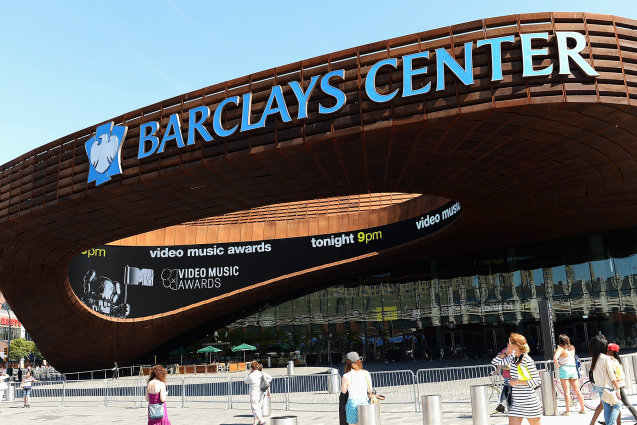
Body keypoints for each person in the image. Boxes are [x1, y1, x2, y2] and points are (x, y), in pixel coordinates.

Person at [491, 333, 542, 425]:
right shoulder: (512, 358)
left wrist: (518, 382)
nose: (507, 345)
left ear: (515, 346)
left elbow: (537, 381)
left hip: (529, 402)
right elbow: (495, 361)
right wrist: (506, 353)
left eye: (509, 343)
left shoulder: (527, 360)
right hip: (516, 404)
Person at [589, 334, 621, 425]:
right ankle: (611, 423)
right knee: (617, 406)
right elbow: (612, 375)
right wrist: (617, 387)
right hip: (608, 387)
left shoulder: (594, 358)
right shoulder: (606, 358)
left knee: (607, 408)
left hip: (599, 386)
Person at [553, 334, 586, 415]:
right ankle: (583, 409)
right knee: (577, 390)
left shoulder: (560, 348)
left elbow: (555, 358)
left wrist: (558, 366)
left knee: (566, 392)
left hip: (564, 369)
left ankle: (568, 411)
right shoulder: (572, 348)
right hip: (573, 369)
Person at [341, 352, 372, 425]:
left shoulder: (346, 376)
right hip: (365, 403)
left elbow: (344, 391)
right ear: (359, 361)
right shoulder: (366, 373)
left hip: (353, 404)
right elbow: (370, 390)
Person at [244, 361, 272, 425]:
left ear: (251, 368)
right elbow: (270, 377)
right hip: (261, 392)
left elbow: (245, 381)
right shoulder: (261, 373)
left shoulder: (251, 376)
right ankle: (259, 421)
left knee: (254, 408)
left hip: (254, 393)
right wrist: (265, 381)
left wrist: (249, 373)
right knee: (258, 408)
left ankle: (262, 421)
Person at [492, 347, 512, 414]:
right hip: (511, 375)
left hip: (509, 375)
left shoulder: (505, 350)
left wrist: (497, 370)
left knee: (508, 391)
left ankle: (502, 406)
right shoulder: (510, 351)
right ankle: (506, 408)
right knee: (509, 392)